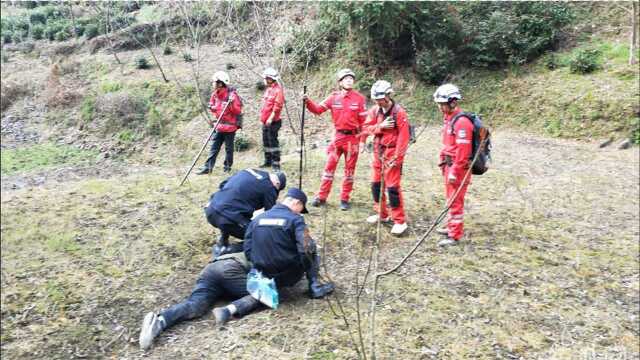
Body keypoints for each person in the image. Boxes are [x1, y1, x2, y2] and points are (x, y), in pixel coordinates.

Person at [212, 188, 335, 326]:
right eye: (301, 208)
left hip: (261, 271)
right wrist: (305, 266)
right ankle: (315, 286)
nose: (300, 212)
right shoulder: (295, 220)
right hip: (287, 273)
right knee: (312, 249)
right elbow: (307, 248)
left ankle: (228, 310)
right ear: (296, 203)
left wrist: (258, 263)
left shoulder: (258, 218)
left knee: (266, 291)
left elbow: (247, 246)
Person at [138, 250, 255, 350]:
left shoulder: (248, 245)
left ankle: (160, 321)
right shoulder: (266, 252)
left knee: (195, 305)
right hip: (231, 269)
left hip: (211, 270)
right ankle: (227, 311)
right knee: (263, 296)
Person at [303, 68, 368, 211]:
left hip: (353, 139)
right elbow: (318, 110)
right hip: (337, 138)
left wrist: (363, 141)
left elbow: (365, 123)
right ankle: (321, 197)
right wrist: (308, 102)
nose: (349, 81)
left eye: (351, 78)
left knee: (349, 171)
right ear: (340, 82)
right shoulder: (333, 97)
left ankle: (344, 199)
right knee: (329, 168)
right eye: (346, 79)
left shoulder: (360, 99)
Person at [361, 80, 410, 236]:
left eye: (381, 99)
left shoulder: (399, 113)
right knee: (375, 185)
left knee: (392, 188)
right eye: (376, 100)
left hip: (392, 154)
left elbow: (404, 137)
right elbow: (366, 128)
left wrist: (398, 158)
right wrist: (380, 127)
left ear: (388, 95)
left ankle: (399, 221)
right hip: (377, 152)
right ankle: (381, 213)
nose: (378, 102)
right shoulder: (375, 111)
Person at [204, 168, 286, 257]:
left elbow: (222, 185)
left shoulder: (247, 171)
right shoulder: (270, 187)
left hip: (210, 209)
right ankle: (228, 251)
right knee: (262, 237)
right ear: (277, 184)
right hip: (227, 219)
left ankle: (222, 242)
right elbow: (270, 216)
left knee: (233, 211)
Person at [433, 84, 474, 247]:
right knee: (451, 199)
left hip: (459, 168)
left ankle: (454, 235)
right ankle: (451, 226)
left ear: (452, 102)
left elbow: (463, 153)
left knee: (456, 200)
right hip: (449, 165)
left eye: (442, 104)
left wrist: (454, 172)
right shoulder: (449, 119)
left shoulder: (462, 122)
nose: (439, 107)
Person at [196, 71, 243, 175]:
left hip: (230, 127)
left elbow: (237, 111)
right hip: (219, 126)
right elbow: (214, 107)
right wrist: (211, 107)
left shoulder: (232, 96)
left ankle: (227, 168)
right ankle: (208, 167)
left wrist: (230, 104)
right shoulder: (215, 94)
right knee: (214, 147)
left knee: (228, 149)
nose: (213, 84)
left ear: (220, 83)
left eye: (215, 82)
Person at [259, 67, 285, 171]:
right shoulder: (269, 90)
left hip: (273, 122)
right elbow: (265, 106)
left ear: (270, 79)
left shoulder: (278, 91)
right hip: (265, 121)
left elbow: (277, 107)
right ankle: (268, 161)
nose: (264, 80)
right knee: (266, 141)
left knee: (273, 142)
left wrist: (270, 118)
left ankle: (276, 164)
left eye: (265, 78)